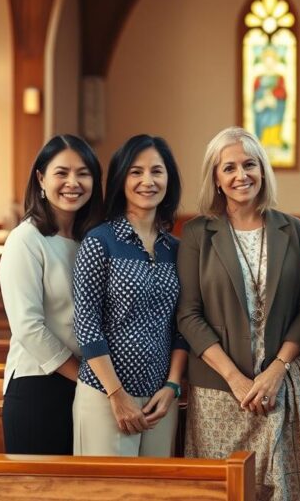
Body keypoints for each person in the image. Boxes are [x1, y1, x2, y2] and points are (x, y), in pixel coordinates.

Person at [176, 127, 300, 500]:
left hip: (278, 385)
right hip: (218, 388)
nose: (241, 175)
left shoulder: (293, 229)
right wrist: (235, 378)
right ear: (216, 178)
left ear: (263, 170)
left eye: (249, 164)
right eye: (229, 168)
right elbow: (188, 315)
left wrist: (276, 370)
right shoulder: (198, 233)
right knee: (223, 491)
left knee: (281, 489)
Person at [72, 134, 188, 457]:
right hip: (104, 395)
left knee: (154, 492)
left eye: (156, 171)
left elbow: (182, 326)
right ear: (122, 178)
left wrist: (172, 386)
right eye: (136, 172)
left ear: (169, 179)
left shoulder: (175, 249)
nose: (147, 181)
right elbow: (87, 324)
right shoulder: (100, 242)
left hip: (159, 400)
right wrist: (117, 395)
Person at [0, 135, 103, 454]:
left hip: (87, 386)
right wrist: (87, 378)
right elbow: (28, 327)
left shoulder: (94, 239)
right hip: (38, 385)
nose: (73, 182)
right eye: (62, 173)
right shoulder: (26, 239)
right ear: (41, 179)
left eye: (83, 173)